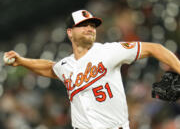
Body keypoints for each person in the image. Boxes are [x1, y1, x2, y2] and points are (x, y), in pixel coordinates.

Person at [4, 9, 180, 129]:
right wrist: (22, 61)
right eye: (83, 25)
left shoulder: (109, 51)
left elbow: (155, 48)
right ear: (70, 33)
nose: (90, 28)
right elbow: (51, 68)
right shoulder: (66, 66)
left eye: (92, 25)